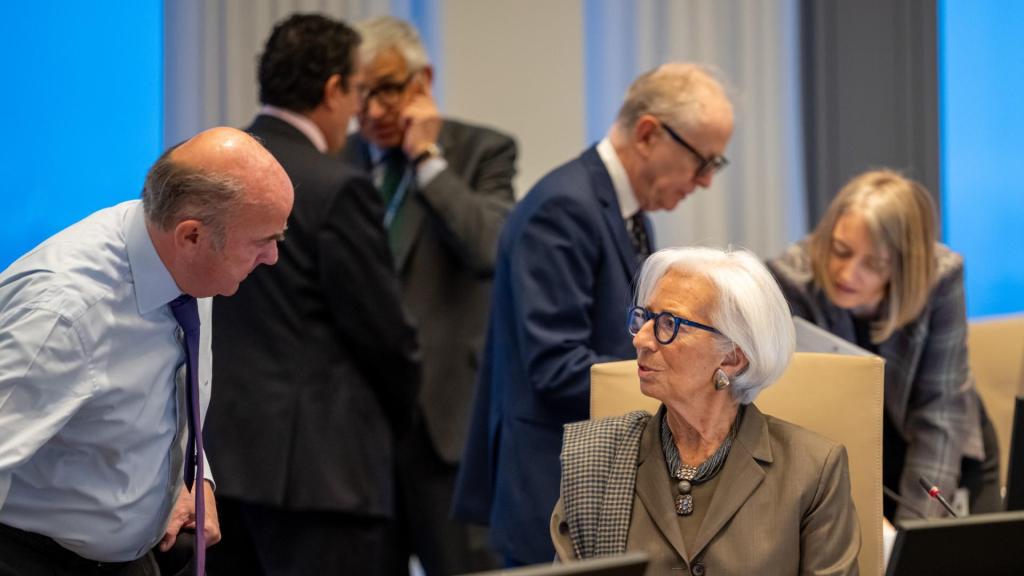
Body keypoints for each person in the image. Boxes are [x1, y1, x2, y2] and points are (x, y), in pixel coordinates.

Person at [453, 63, 735, 566]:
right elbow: (556, 368)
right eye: (702, 161)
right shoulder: (563, 207)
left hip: (593, 479)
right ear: (648, 134)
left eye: (717, 164)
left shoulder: (626, 211)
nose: (707, 181)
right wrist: (683, 382)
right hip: (551, 489)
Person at [0, 126, 293, 576]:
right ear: (191, 236)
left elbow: (153, 399)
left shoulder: (185, 264)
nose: (272, 257)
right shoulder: (65, 314)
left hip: (133, 559)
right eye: (262, 241)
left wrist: (192, 477)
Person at [203, 14, 420, 576]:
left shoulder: (205, 170)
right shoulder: (337, 186)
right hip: (322, 475)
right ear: (333, 89)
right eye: (358, 91)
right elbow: (384, 337)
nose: (358, 111)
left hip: (218, 461)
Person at [550, 247, 860, 574]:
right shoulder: (596, 459)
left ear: (732, 357)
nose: (641, 340)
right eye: (645, 318)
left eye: (669, 323)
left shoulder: (812, 470)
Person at [341, 16, 516, 575]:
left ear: (424, 81)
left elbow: (490, 247)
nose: (372, 111)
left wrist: (427, 162)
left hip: (448, 423)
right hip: (358, 427)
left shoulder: (480, 150)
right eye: (359, 92)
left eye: (387, 90)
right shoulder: (335, 160)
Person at [768, 169, 1000, 521]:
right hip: (856, 454)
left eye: (873, 264)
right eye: (841, 250)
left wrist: (915, 531)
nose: (847, 273)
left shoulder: (939, 280)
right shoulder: (791, 280)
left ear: (904, 266)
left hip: (945, 448)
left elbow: (939, 414)